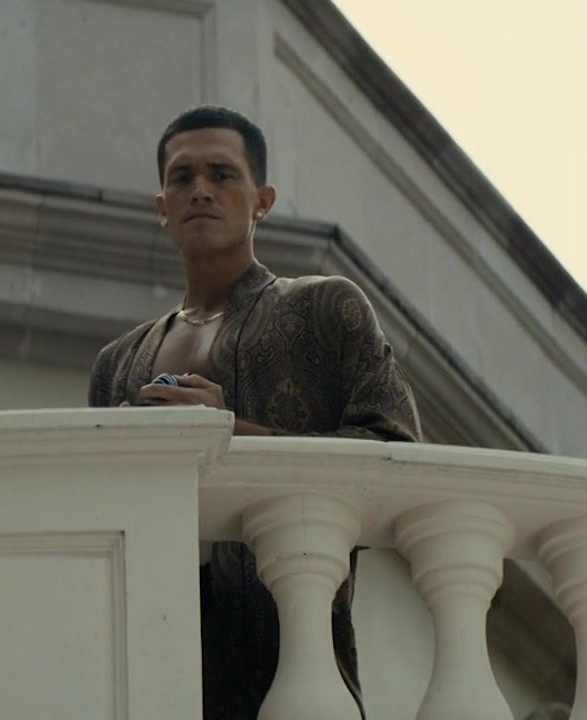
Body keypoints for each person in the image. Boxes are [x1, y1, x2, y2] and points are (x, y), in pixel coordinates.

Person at [88, 105, 421, 719]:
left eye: (222, 174)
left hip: (300, 678)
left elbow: (397, 459)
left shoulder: (326, 311)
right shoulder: (117, 364)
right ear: (162, 206)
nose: (201, 191)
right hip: (152, 681)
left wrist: (232, 436)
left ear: (262, 201)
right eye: (182, 177)